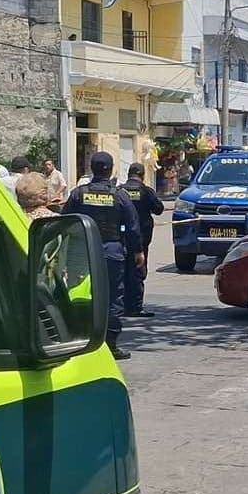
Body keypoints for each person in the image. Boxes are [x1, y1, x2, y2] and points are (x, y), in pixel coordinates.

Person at [61, 151, 143, 360]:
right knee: (113, 297)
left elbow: (65, 220)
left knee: (80, 294)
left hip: (83, 252)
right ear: (112, 169)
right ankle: (111, 345)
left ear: (92, 168)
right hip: (111, 251)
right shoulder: (119, 195)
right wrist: (138, 251)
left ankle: (78, 339)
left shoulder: (79, 193)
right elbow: (133, 227)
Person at [119, 162, 165, 317]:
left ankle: (122, 305)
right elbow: (159, 209)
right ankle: (136, 307)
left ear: (128, 174)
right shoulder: (146, 191)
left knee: (123, 272)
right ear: (143, 175)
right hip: (141, 239)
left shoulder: (120, 191)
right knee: (138, 272)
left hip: (122, 238)